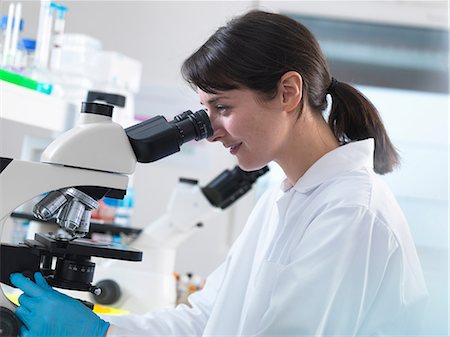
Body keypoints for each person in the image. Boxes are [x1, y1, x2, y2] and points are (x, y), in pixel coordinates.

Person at [10, 10, 428, 337]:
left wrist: (98, 335)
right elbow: (205, 322)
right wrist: (101, 331)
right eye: (206, 112)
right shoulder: (285, 198)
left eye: (222, 108)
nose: (210, 132)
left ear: (288, 92)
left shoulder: (351, 211)